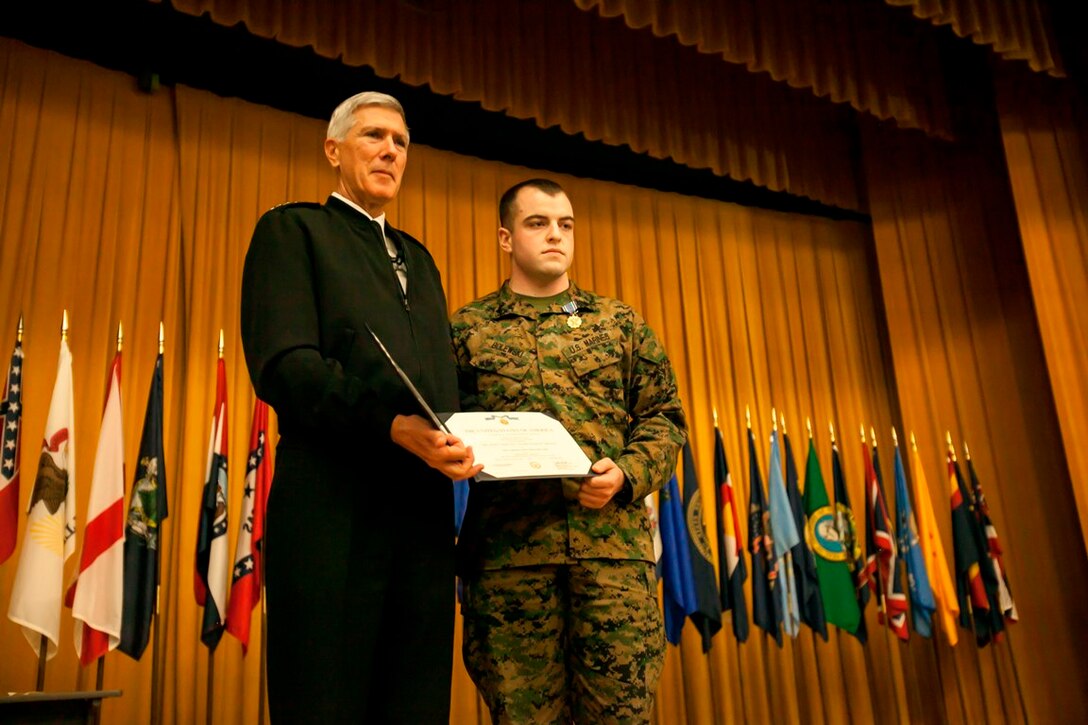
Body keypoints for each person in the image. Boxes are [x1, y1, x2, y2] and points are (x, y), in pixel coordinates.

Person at [240, 91, 481, 724]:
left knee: (416, 705)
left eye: (401, 142)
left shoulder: (420, 260)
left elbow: (441, 388)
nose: (390, 151)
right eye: (374, 136)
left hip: (422, 521)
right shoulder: (293, 231)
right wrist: (390, 425)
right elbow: (285, 365)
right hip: (331, 514)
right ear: (333, 150)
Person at [450, 178, 688, 723]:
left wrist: (626, 473)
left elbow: (665, 417)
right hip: (509, 562)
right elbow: (443, 426)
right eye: (538, 223)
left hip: (612, 562)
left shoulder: (618, 323)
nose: (555, 235)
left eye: (565, 224)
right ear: (506, 238)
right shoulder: (467, 330)